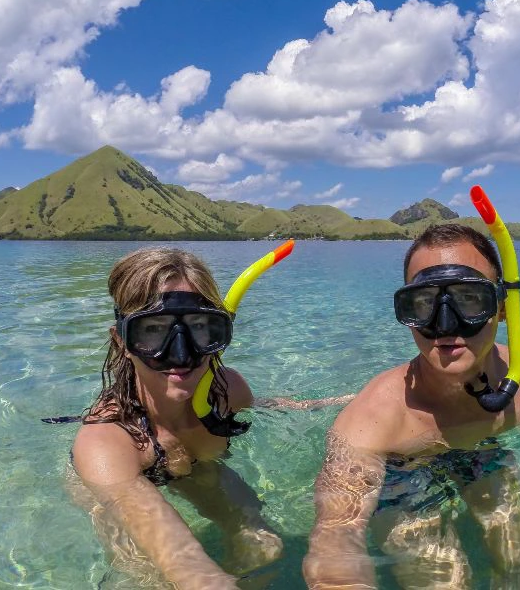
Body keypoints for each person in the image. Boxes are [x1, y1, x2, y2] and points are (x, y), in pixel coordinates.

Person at [303, 224, 520, 589]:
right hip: (403, 472)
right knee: (444, 579)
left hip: (482, 454)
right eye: (424, 303)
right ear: (407, 312)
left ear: (502, 308)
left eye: (470, 299)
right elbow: (334, 537)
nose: (447, 326)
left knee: (517, 555)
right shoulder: (372, 421)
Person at [70, 247, 350, 589]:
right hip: (123, 485)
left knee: (264, 547)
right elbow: (184, 565)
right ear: (124, 341)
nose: (181, 353)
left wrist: (330, 403)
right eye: (153, 330)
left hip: (199, 467)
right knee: (150, 577)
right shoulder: (107, 443)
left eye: (199, 327)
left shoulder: (226, 391)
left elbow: (267, 405)